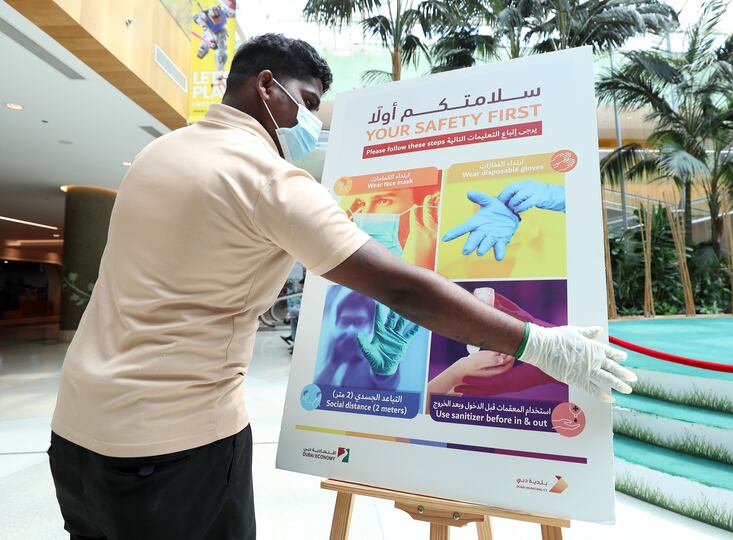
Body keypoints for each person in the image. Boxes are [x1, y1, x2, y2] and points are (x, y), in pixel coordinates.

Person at [47, 33, 636, 540]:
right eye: (306, 104)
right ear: (266, 87)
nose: (311, 123)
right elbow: (403, 290)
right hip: (170, 449)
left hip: (76, 433)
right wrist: (539, 344)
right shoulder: (267, 179)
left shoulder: (158, 152)